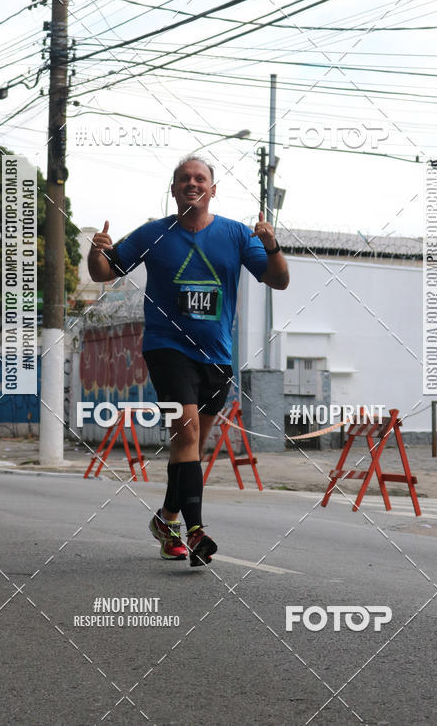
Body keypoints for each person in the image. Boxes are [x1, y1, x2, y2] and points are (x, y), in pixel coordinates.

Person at [88, 155, 289, 567]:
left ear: (213, 190)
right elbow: (104, 273)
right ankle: (196, 532)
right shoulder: (153, 234)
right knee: (186, 433)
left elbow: (279, 280)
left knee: (192, 446)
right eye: (184, 179)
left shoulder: (235, 235)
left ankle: (166, 520)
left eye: (201, 179)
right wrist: (97, 251)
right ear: (174, 188)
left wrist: (271, 245)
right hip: (167, 349)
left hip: (216, 357)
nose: (192, 184)